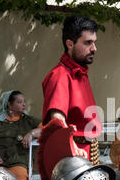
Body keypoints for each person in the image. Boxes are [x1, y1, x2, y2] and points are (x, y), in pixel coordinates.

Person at [41, 15, 102, 164]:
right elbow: (57, 120)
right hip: (73, 157)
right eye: (88, 43)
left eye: (94, 42)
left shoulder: (80, 72)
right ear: (70, 44)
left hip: (88, 152)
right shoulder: (60, 75)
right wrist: (72, 148)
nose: (94, 48)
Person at [0, 90, 42, 180]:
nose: (24, 105)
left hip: (18, 163)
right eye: (20, 102)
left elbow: (49, 129)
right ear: (9, 104)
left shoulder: (29, 121)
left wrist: (32, 133)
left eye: (24, 102)